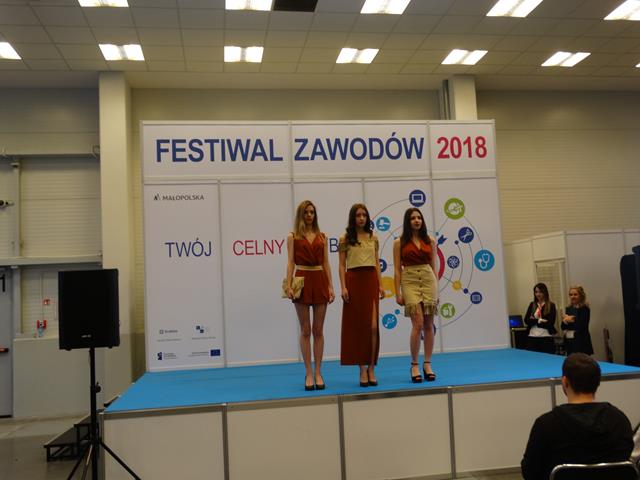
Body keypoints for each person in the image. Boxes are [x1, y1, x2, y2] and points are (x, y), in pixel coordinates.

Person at [521, 353, 634, 480]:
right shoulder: (619, 420)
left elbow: (530, 471)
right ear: (597, 382)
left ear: (565, 381)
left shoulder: (546, 424)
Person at [285, 200, 335, 391]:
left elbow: (326, 263)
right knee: (305, 330)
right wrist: (288, 285)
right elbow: (290, 262)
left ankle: (319, 372)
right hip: (301, 280)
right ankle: (308, 372)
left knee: (318, 330)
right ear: (301, 214)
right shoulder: (293, 237)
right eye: (306, 212)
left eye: (312, 212)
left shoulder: (323, 236)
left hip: (320, 280)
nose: (309, 215)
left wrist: (331, 286)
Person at [339, 203, 385, 387]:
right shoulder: (345, 238)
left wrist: (381, 285)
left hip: (371, 280)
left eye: (364, 215)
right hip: (353, 281)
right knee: (358, 327)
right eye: (358, 215)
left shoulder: (374, 238)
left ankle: (371, 367)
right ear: (353, 217)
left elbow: (377, 263)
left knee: (373, 327)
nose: (361, 218)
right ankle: (362, 369)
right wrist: (343, 287)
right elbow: (341, 265)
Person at [393, 207, 438, 383]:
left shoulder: (430, 240)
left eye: (419, 217)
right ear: (407, 221)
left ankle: (427, 363)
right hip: (409, 280)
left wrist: (436, 289)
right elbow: (397, 269)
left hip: (428, 279)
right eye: (413, 218)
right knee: (417, 323)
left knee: (429, 324)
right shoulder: (399, 242)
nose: (417, 220)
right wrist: (397, 293)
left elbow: (433, 266)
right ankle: (414, 365)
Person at [524, 283, 557, 354]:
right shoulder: (532, 304)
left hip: (546, 337)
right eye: (536, 292)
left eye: (540, 292)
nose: (538, 294)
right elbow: (526, 320)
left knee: (547, 358)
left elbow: (550, 323)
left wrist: (533, 321)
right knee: (533, 358)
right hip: (532, 336)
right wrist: (539, 320)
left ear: (545, 292)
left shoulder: (551, 305)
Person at [562, 285, 593, 355]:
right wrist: (566, 321)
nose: (572, 296)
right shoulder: (568, 308)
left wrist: (569, 320)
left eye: (575, 294)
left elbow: (581, 326)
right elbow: (563, 327)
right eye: (571, 295)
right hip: (570, 342)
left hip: (581, 342)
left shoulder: (584, 308)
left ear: (581, 296)